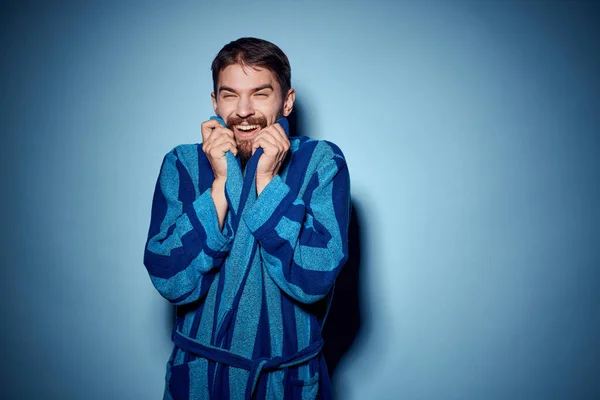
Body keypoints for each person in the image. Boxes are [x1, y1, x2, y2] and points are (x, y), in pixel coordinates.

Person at [143, 37, 350, 400]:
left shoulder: (321, 162)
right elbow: (171, 279)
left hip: (287, 383)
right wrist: (221, 185)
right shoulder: (182, 164)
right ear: (214, 102)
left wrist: (267, 181)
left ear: (286, 101)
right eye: (229, 95)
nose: (243, 110)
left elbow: (314, 277)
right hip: (202, 381)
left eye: (259, 93)